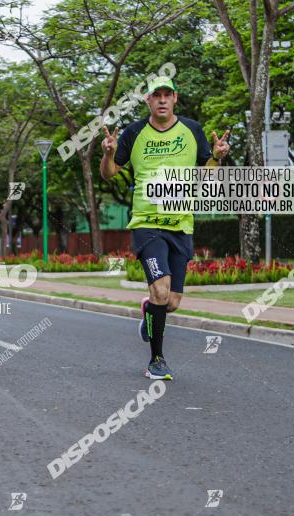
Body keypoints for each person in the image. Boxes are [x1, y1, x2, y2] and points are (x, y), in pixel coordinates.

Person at [100, 75, 230, 381]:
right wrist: (108, 153)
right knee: (160, 289)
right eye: (155, 95)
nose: (161, 99)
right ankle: (156, 360)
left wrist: (218, 158)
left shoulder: (192, 130)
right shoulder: (133, 133)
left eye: (166, 94)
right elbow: (108, 174)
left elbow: (207, 174)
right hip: (147, 224)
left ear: (174, 98)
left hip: (181, 225)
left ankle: (149, 310)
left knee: (170, 302)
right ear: (147, 100)